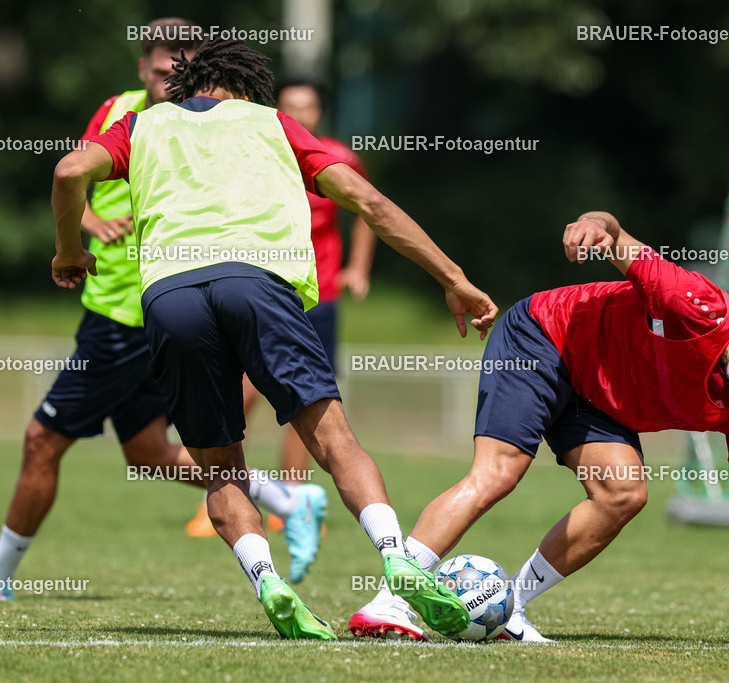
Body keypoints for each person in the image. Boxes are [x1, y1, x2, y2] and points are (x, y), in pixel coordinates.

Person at [49, 37, 497, 640]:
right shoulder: (273, 124)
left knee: (220, 467)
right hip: (257, 285)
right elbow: (367, 201)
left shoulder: (142, 125)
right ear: (246, 87)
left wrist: (69, 250)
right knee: (334, 439)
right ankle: (396, 556)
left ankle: (267, 580)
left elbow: (68, 170)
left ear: (186, 85)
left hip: (170, 298)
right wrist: (454, 279)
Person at [0, 19, 318, 601]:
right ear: (141, 68)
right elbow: (73, 179)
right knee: (147, 451)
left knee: (42, 439)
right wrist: (91, 224)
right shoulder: (118, 112)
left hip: (138, 316)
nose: (168, 79)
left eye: (181, 68)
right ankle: (286, 497)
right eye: (159, 69)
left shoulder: (211, 121)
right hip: (120, 305)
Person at [349, 210, 729, 645]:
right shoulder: (695, 303)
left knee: (623, 494)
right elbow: (616, 234)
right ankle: (389, 601)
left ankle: (510, 608)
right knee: (499, 472)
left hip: (598, 397)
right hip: (542, 336)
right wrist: (594, 226)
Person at [185, 77, 376, 551]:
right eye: (290, 105)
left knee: (308, 402)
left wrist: (358, 267)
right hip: (262, 289)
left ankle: (292, 498)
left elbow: (367, 208)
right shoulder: (257, 147)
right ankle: (225, 491)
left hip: (318, 294)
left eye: (307, 106)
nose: (299, 113)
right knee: (240, 393)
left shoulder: (337, 156)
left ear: (320, 112)